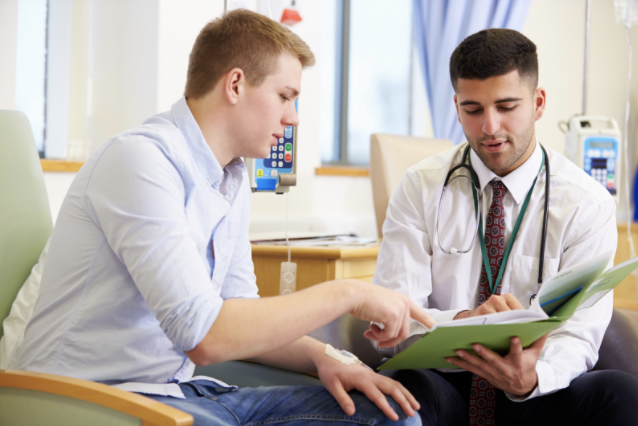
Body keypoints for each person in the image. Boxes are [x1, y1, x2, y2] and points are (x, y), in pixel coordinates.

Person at [14, 9, 435, 426]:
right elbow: (205, 336)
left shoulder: (230, 179)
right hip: (92, 398)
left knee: (387, 416)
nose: (294, 117)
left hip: (179, 393)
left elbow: (240, 316)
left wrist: (326, 357)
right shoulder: (139, 160)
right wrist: (347, 293)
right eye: (285, 96)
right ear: (235, 84)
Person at [373, 28, 638, 425]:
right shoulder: (419, 186)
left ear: (538, 103)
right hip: (446, 383)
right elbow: (394, 314)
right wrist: (463, 323)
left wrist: (530, 379)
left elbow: (578, 334)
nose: (490, 127)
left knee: (621, 393)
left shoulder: (587, 203)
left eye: (506, 106)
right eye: (473, 109)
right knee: (397, 385)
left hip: (537, 389)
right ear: (457, 106)